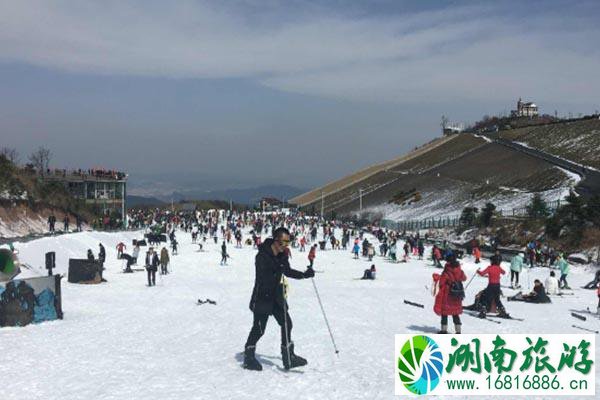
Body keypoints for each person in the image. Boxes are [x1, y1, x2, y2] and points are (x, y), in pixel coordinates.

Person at [243, 227, 314, 371]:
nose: (286, 245)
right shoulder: (262, 256)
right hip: (262, 297)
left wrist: (304, 275)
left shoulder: (282, 256)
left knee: (287, 323)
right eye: (284, 242)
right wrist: (279, 266)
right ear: (276, 241)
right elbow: (265, 276)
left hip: (276, 296)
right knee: (259, 329)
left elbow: (286, 271)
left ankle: (288, 357)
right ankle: (248, 356)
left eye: (288, 242)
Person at [433, 255, 466, 334]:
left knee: (445, 312)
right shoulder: (459, 270)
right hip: (457, 294)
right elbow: (464, 278)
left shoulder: (447, 271)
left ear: (448, 262)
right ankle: (458, 331)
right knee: (455, 313)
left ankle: (444, 330)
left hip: (448, 294)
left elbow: (441, 282)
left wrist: (437, 278)